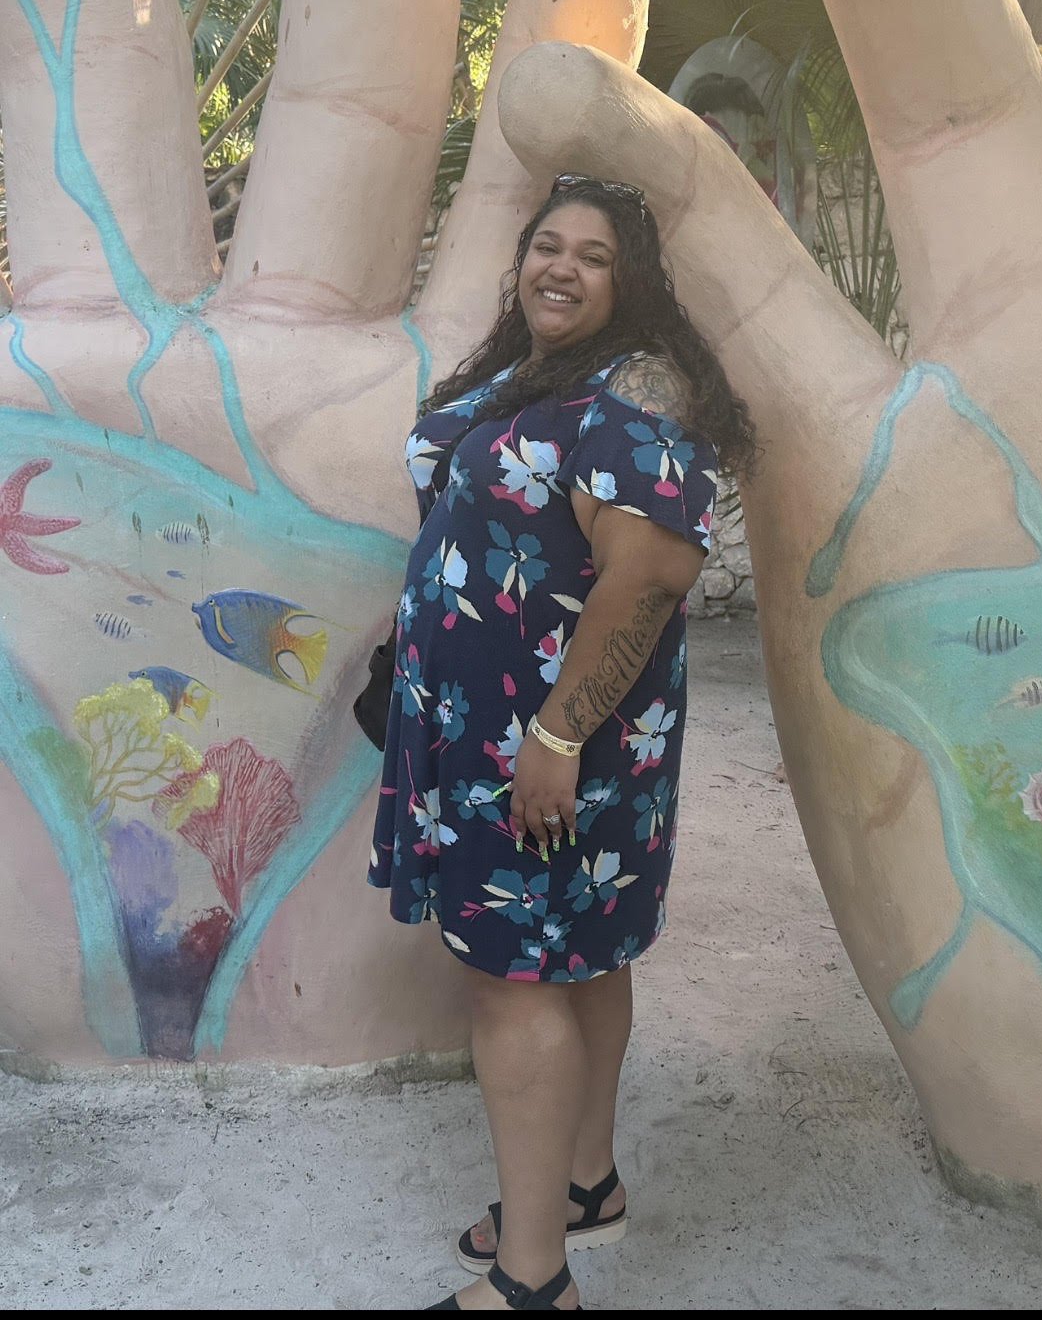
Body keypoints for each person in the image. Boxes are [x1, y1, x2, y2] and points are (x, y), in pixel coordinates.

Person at [368, 172, 755, 1311]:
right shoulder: (538, 374)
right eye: (549, 244)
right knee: (582, 952)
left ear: (631, 284)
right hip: (502, 732)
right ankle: (584, 1183)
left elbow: (655, 569)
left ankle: (533, 1280)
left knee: (513, 981)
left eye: (595, 255)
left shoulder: (635, 389)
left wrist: (554, 732)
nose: (563, 267)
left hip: (545, 744)